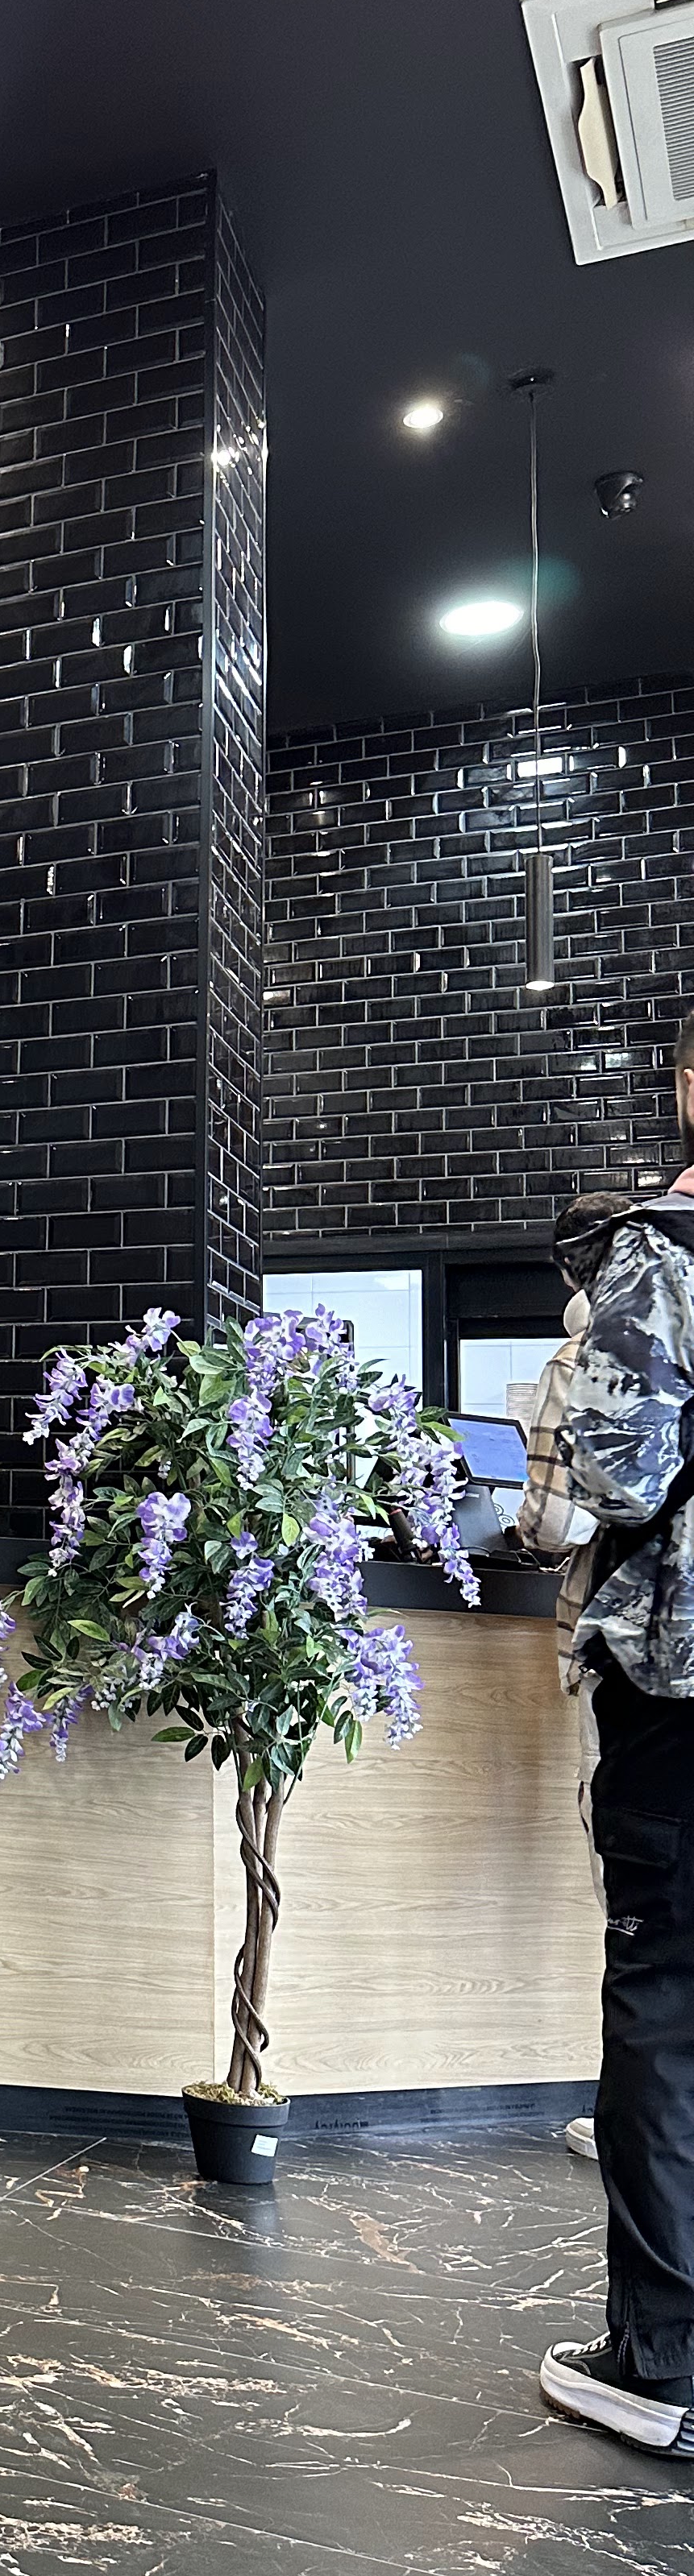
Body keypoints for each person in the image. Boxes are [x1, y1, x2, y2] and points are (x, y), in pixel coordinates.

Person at [539, 1014, 694, 2454]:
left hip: (681, 1683)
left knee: (664, 1993)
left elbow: (616, 1474)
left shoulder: (660, 1253)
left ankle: (661, 2364)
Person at [514, 1277, 603, 2160]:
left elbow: (551, 1520)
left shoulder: (584, 1355)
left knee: (638, 1890)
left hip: (631, 1648)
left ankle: (640, 2114)